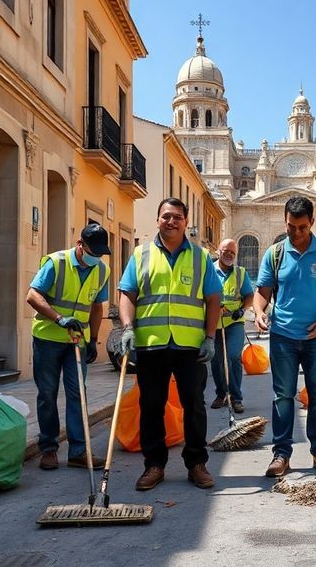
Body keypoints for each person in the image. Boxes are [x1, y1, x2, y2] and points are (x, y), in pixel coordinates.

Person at [118, 198, 222, 491]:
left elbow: (213, 298)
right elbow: (127, 293)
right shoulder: (141, 255)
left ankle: (197, 464)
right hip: (152, 344)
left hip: (191, 346)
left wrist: (210, 337)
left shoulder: (201, 258)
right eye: (166, 216)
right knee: (151, 405)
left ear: (186, 222)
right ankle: (154, 465)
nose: (171, 222)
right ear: (158, 220)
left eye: (177, 217)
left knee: (194, 405)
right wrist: (127, 328)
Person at [253, 196, 316, 478]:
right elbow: (262, 292)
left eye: (302, 227)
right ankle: (281, 455)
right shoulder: (275, 253)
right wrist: (258, 312)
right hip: (283, 337)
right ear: (285, 222)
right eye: (291, 227)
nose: (296, 233)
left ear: (312, 223)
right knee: (283, 396)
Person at [26, 223, 111, 471]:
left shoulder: (101, 270)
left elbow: (97, 306)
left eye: (100, 253)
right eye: (92, 251)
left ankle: (78, 451)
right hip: (48, 338)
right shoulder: (56, 263)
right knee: (47, 394)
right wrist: (58, 318)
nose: (96, 257)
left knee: (78, 394)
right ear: (80, 245)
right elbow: (33, 295)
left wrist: (94, 339)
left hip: (77, 342)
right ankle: (49, 449)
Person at [210, 238, 254, 413]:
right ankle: (221, 394)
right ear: (218, 251)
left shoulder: (240, 273)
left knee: (234, 357)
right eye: (226, 251)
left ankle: (236, 398)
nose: (229, 255)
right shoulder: (209, 271)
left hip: (234, 322)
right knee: (216, 360)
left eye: (232, 253)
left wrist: (242, 310)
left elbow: (249, 296)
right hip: (214, 322)